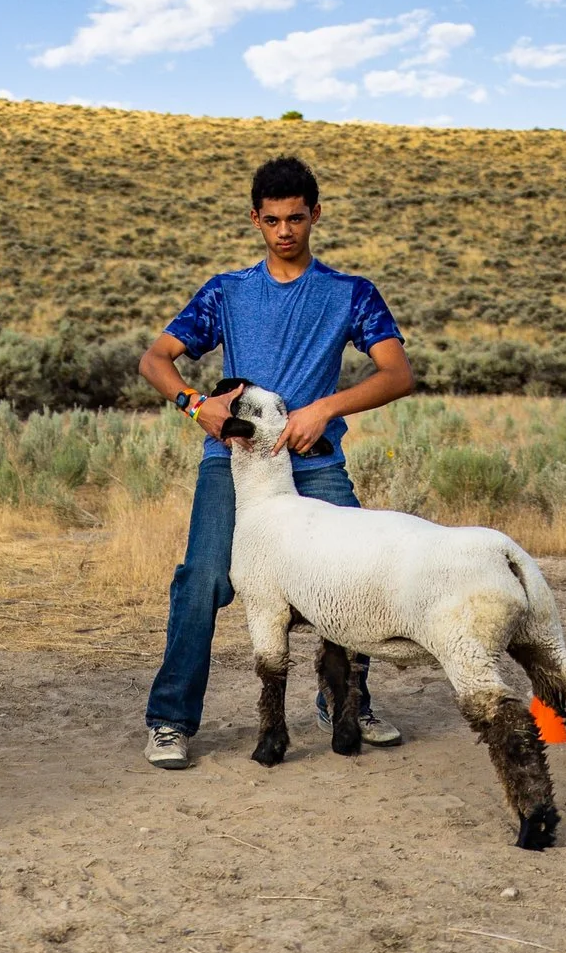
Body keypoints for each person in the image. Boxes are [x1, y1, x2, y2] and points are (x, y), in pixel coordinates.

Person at [139, 154, 414, 770]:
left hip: (312, 460)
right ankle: (170, 720)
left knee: (353, 573)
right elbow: (155, 359)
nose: (284, 230)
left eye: (296, 218)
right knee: (204, 578)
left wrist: (322, 410)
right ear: (256, 221)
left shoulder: (350, 294)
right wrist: (195, 406)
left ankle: (345, 701)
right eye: (271, 220)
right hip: (233, 462)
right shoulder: (228, 292)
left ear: (315, 215)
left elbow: (397, 374)